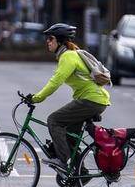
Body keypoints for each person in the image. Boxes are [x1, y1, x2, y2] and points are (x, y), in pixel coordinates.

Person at [28, 23, 110, 171]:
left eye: (50, 38)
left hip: (91, 100)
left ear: (59, 41)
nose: (47, 41)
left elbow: (55, 82)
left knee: (54, 120)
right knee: (69, 135)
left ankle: (63, 160)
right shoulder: (69, 55)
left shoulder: (68, 57)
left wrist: (36, 98)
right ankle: (81, 173)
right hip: (93, 100)